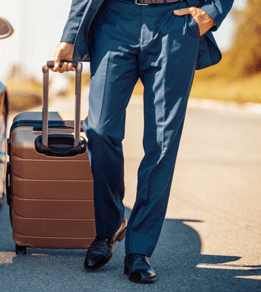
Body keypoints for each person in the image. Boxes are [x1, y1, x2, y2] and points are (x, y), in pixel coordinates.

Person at [52, 0, 233, 284]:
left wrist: (212, 12)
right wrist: (69, 35)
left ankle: (139, 249)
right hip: (114, 19)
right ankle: (110, 226)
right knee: (99, 130)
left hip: (174, 21)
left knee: (162, 142)